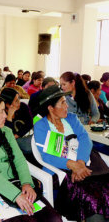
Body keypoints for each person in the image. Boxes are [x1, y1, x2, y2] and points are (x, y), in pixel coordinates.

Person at [0, 94, 62, 222]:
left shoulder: (6, 132)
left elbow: (19, 160)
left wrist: (26, 183)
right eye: (1, 111)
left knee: (54, 219)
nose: (6, 115)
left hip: (15, 185)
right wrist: (16, 196)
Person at [33, 85, 109, 222]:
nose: (67, 105)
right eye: (62, 102)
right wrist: (71, 165)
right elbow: (47, 156)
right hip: (61, 170)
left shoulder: (71, 118)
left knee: (104, 189)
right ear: (50, 108)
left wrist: (80, 163)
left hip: (84, 164)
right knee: (91, 197)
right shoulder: (41, 126)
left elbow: (85, 139)